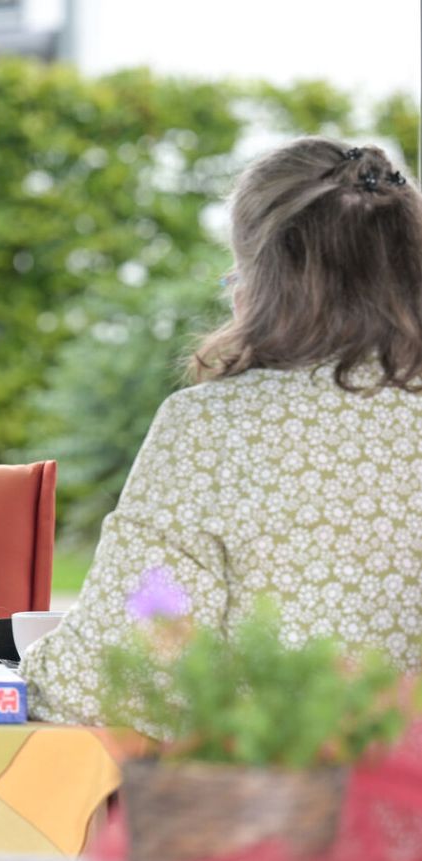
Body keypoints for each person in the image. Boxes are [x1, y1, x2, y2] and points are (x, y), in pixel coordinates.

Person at [21, 137, 422, 725]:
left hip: (283, 805)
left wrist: (24, 671)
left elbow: (116, 674)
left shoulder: (213, 427)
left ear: (261, 279)